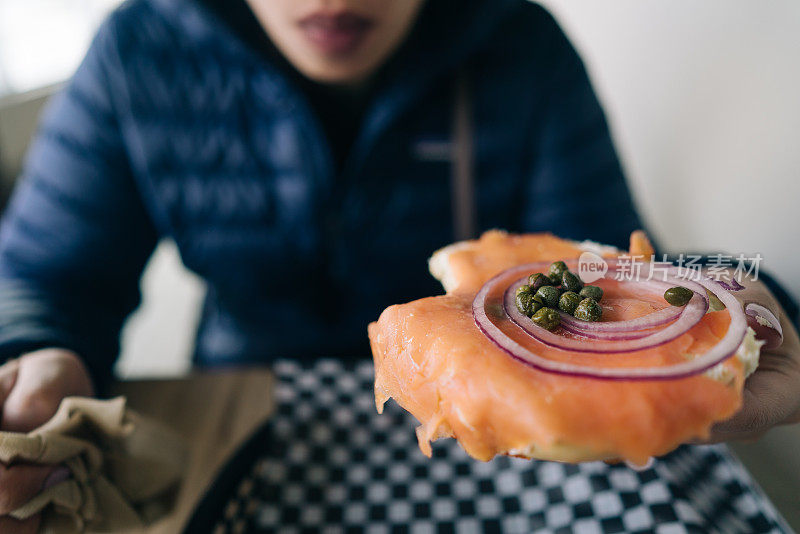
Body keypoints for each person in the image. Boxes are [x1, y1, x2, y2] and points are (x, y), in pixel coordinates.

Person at [0, 0, 797, 531]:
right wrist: (34, 352)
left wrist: (761, 315)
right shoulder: (138, 49)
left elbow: (620, 272)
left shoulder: (521, 47)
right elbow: (44, 274)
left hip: (489, 439)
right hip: (242, 411)